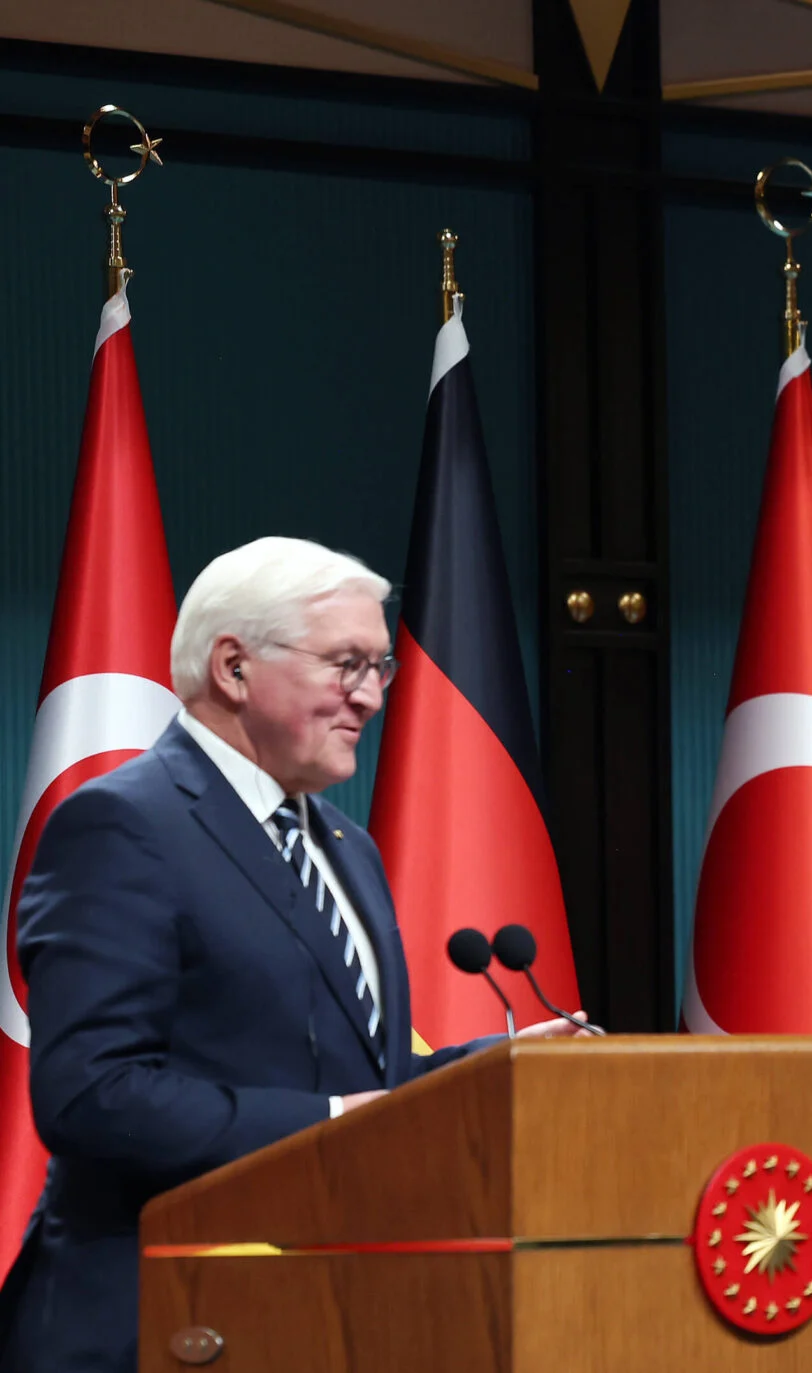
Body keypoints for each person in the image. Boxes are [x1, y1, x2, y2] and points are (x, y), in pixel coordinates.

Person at [0, 537, 587, 1373]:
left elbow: (360, 1081)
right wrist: (334, 1123)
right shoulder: (123, 825)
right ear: (233, 667)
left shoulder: (347, 847)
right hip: (158, 1317)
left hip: (326, 1316)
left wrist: (500, 1068)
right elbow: (91, 1094)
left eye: (380, 668)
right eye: (347, 664)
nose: (371, 696)